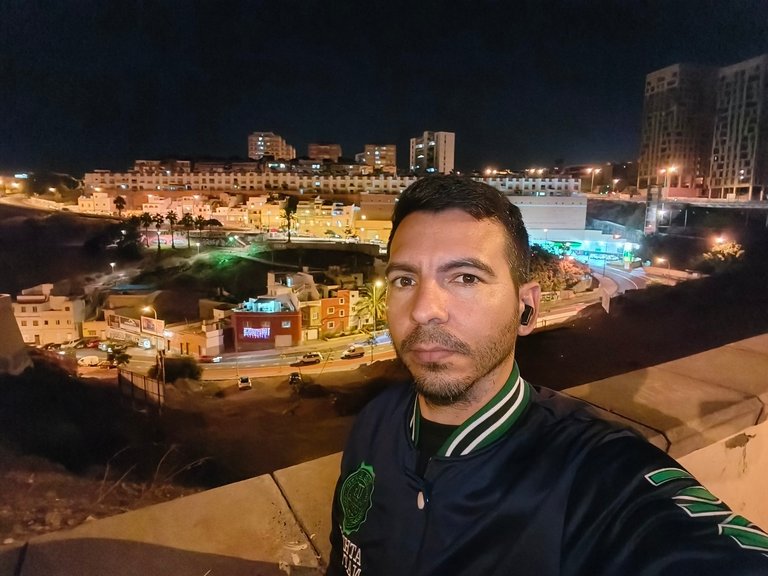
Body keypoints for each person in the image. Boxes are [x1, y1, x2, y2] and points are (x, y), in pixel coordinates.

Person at [327, 175, 768, 576]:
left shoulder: (593, 472)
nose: (424, 309)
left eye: (465, 277)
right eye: (404, 280)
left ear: (526, 308)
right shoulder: (374, 424)